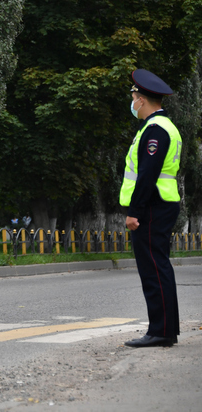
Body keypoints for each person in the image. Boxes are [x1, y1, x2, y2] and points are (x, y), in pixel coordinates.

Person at [120, 69, 182, 348]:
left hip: (153, 206)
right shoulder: (161, 127)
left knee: (154, 269)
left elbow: (147, 174)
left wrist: (135, 212)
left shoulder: (156, 131)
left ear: (142, 99)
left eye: (133, 96)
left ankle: (161, 331)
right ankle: (165, 329)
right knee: (158, 266)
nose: (132, 101)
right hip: (160, 204)